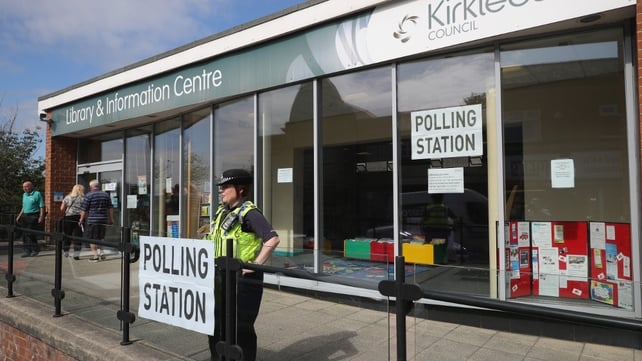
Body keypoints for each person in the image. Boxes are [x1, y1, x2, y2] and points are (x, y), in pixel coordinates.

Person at [206, 169, 280, 361]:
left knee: (241, 327)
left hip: (243, 280)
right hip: (220, 276)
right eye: (221, 187)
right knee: (216, 324)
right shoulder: (221, 212)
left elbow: (272, 239)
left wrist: (254, 265)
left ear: (240, 189)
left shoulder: (250, 214)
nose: (221, 191)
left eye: (225, 187)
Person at [78, 179, 114, 262]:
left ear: (91, 187)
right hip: (103, 219)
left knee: (92, 238)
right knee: (101, 237)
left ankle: (95, 256)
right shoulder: (105, 195)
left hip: (92, 220)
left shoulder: (89, 195)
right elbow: (110, 207)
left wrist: (81, 219)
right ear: (99, 186)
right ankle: (101, 253)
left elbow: (84, 209)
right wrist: (111, 219)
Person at [15, 181, 45, 257]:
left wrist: (41, 216)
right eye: (23, 187)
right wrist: (19, 215)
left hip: (34, 215)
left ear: (31, 186)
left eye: (26, 186)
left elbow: (41, 206)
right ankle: (27, 251)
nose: (24, 188)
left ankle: (35, 249)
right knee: (25, 234)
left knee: (30, 233)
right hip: (25, 215)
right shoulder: (24, 195)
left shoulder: (37, 194)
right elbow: (23, 207)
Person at [60, 184, 85, 260]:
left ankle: (66, 251)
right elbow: (85, 210)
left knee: (67, 235)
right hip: (79, 218)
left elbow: (62, 208)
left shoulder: (67, 197)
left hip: (68, 217)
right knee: (78, 236)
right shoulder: (83, 198)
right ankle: (76, 254)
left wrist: (68, 211)